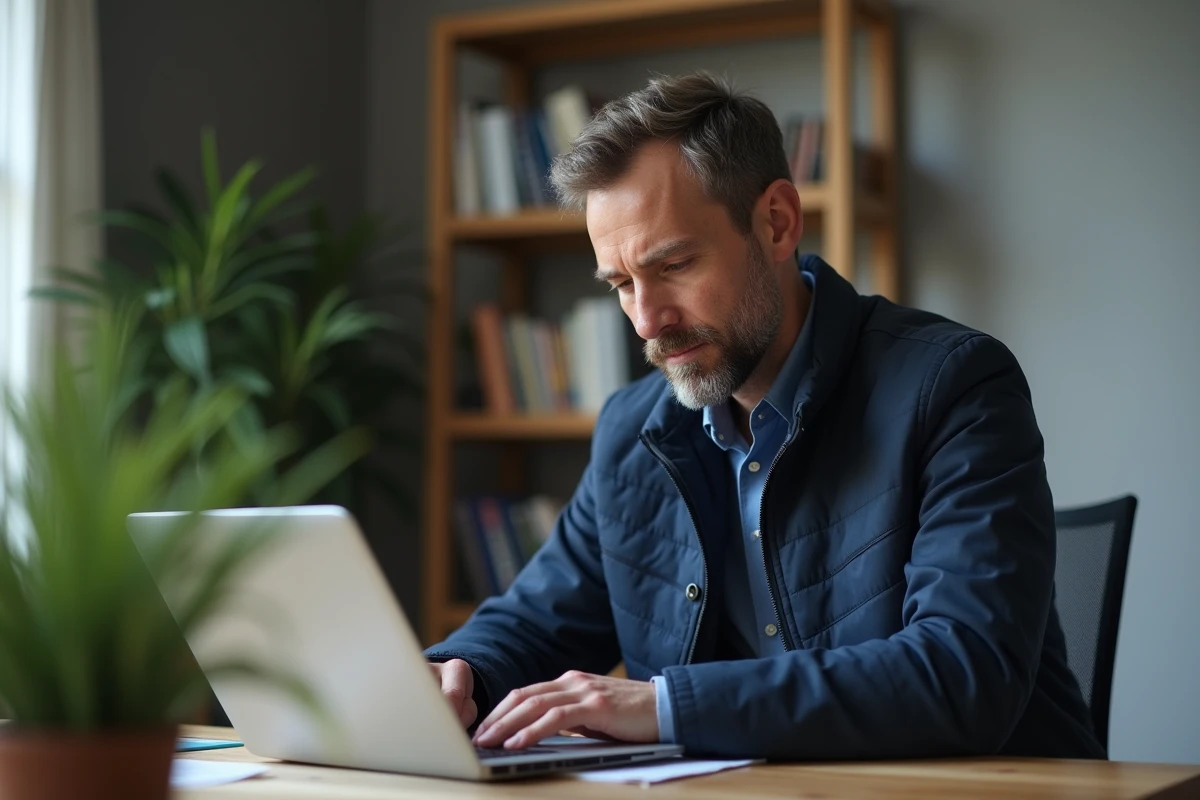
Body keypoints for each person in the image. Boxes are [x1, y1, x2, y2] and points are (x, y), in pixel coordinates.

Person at [426, 71, 1104, 760]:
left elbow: (964, 674)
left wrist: (665, 705)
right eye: (622, 284)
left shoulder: (954, 387)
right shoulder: (633, 432)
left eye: (675, 265)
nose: (647, 321)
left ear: (776, 222)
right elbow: (536, 622)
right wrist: (457, 676)